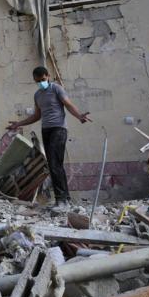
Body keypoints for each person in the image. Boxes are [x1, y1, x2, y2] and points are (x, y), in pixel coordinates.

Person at [7, 66, 90, 208]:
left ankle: (62, 200)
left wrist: (79, 116)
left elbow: (68, 105)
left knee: (55, 163)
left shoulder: (56, 89)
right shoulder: (38, 95)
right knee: (53, 164)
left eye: (43, 80)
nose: (41, 83)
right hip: (46, 130)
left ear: (48, 76)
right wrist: (18, 124)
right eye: (37, 81)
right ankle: (64, 199)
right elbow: (36, 116)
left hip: (59, 129)